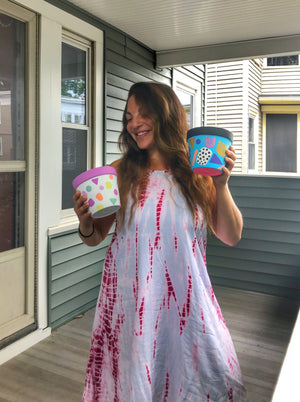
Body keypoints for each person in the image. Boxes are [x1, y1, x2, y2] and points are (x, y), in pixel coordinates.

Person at [73, 81, 248, 401]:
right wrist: (86, 222)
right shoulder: (117, 173)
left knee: (201, 379)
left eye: (143, 113)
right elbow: (95, 237)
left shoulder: (199, 170)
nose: (134, 123)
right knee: (135, 383)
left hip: (188, 304)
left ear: (166, 115)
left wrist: (221, 185)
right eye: (128, 116)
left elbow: (231, 235)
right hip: (130, 304)